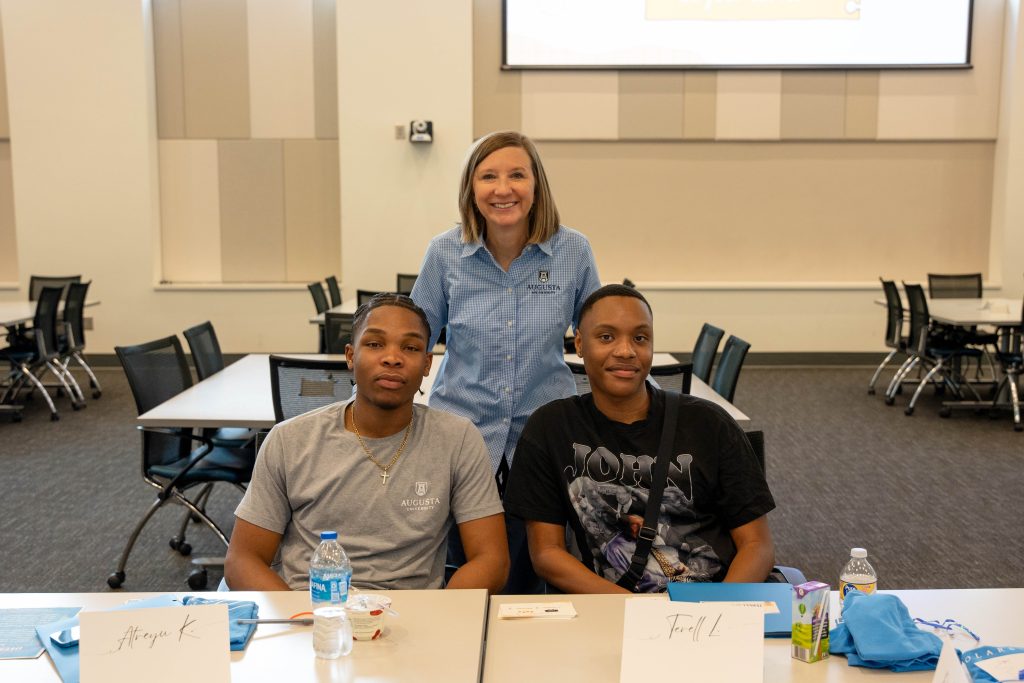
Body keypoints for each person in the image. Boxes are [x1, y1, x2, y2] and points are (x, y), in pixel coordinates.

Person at [411, 130, 601, 592]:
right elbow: (413, 338)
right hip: (461, 435)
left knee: (538, 574)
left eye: (517, 174)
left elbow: (600, 335)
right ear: (470, 190)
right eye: (488, 176)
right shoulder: (445, 253)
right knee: (466, 571)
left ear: (536, 185)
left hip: (543, 439)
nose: (503, 189)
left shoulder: (572, 251)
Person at [225, 294, 509, 593]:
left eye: (410, 347)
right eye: (374, 344)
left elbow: (492, 560)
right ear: (350, 356)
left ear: (427, 364)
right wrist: (303, 621)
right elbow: (243, 560)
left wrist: (438, 618)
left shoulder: (458, 440)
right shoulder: (289, 440)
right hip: (316, 615)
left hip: (414, 620)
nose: (392, 357)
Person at [503, 285, 776, 593]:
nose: (625, 351)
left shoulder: (709, 423)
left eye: (640, 338)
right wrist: (631, 609)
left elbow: (757, 544)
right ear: (579, 343)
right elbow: (546, 553)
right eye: (606, 337)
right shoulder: (551, 428)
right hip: (610, 608)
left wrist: (716, 611)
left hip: (709, 603)